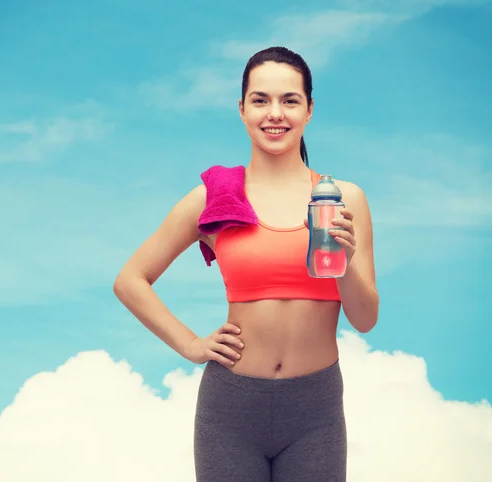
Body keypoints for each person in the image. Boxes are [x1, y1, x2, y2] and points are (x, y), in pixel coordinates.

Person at [113, 46, 378, 482]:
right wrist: (191, 345)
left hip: (316, 410)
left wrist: (345, 263)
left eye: (290, 100)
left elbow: (365, 319)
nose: (275, 113)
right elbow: (131, 280)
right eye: (260, 100)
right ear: (241, 109)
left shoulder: (343, 199)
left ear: (310, 109)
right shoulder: (214, 197)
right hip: (230, 408)